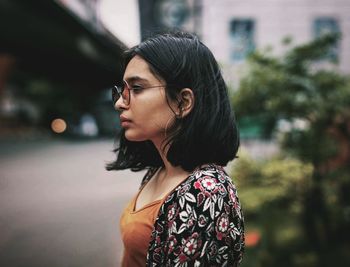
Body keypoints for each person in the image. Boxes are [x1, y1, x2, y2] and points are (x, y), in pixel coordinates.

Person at [106, 31, 244, 266]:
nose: (120, 102)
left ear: (183, 102)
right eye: (122, 90)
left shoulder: (204, 194)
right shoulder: (160, 169)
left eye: (137, 88)